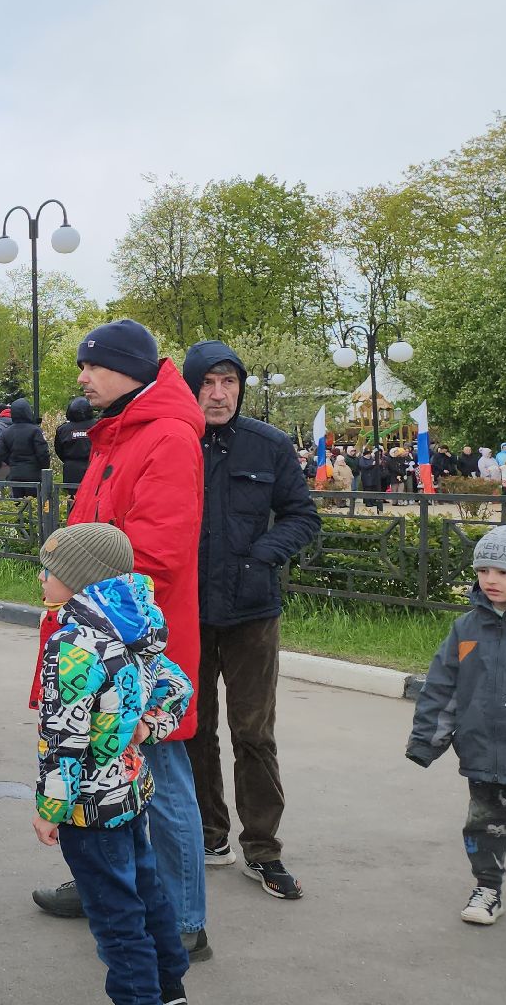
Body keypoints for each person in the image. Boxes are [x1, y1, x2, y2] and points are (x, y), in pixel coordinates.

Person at [28, 318, 212, 961]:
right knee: (109, 770)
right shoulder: (120, 432)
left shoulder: (164, 437)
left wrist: (92, 611)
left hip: (129, 639)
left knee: (159, 769)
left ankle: (185, 917)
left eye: (91, 366)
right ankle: (106, 879)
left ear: (129, 370)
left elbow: (156, 552)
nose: (81, 377)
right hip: (101, 629)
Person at [182, 342, 322, 900]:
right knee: (192, 727)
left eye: (229, 383)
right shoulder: (173, 442)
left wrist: (264, 554)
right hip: (186, 611)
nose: (218, 394)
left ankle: (262, 849)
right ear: (191, 385)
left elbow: (301, 515)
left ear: (240, 388)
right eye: (208, 382)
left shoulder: (268, 445)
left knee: (254, 734)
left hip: (251, 613)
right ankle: (207, 833)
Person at [34, 522, 195, 1005]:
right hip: (131, 792)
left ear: (81, 578)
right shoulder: (134, 624)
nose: (42, 578)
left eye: (51, 570)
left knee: (114, 916)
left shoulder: (75, 645)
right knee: (146, 892)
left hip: (89, 807)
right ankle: (170, 989)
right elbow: (178, 683)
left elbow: (64, 737)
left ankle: (138, 996)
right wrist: (149, 723)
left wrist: (50, 809)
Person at [406, 525, 506, 941]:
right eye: (484, 569)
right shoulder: (467, 628)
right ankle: (487, 890)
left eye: (503, 571)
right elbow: (442, 686)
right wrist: (426, 741)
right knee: (484, 827)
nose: (490, 579)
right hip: (484, 754)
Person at [0, 396, 53, 491]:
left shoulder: (7, 432)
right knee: (34, 503)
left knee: (17, 503)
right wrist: (43, 467)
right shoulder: (35, 431)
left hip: (15, 474)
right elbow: (43, 453)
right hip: (33, 475)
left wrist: (12, 463)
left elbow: (1, 453)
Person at [55, 395, 98, 488]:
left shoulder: (63, 429)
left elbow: (59, 450)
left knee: (73, 499)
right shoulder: (97, 425)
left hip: (72, 469)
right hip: (94, 466)